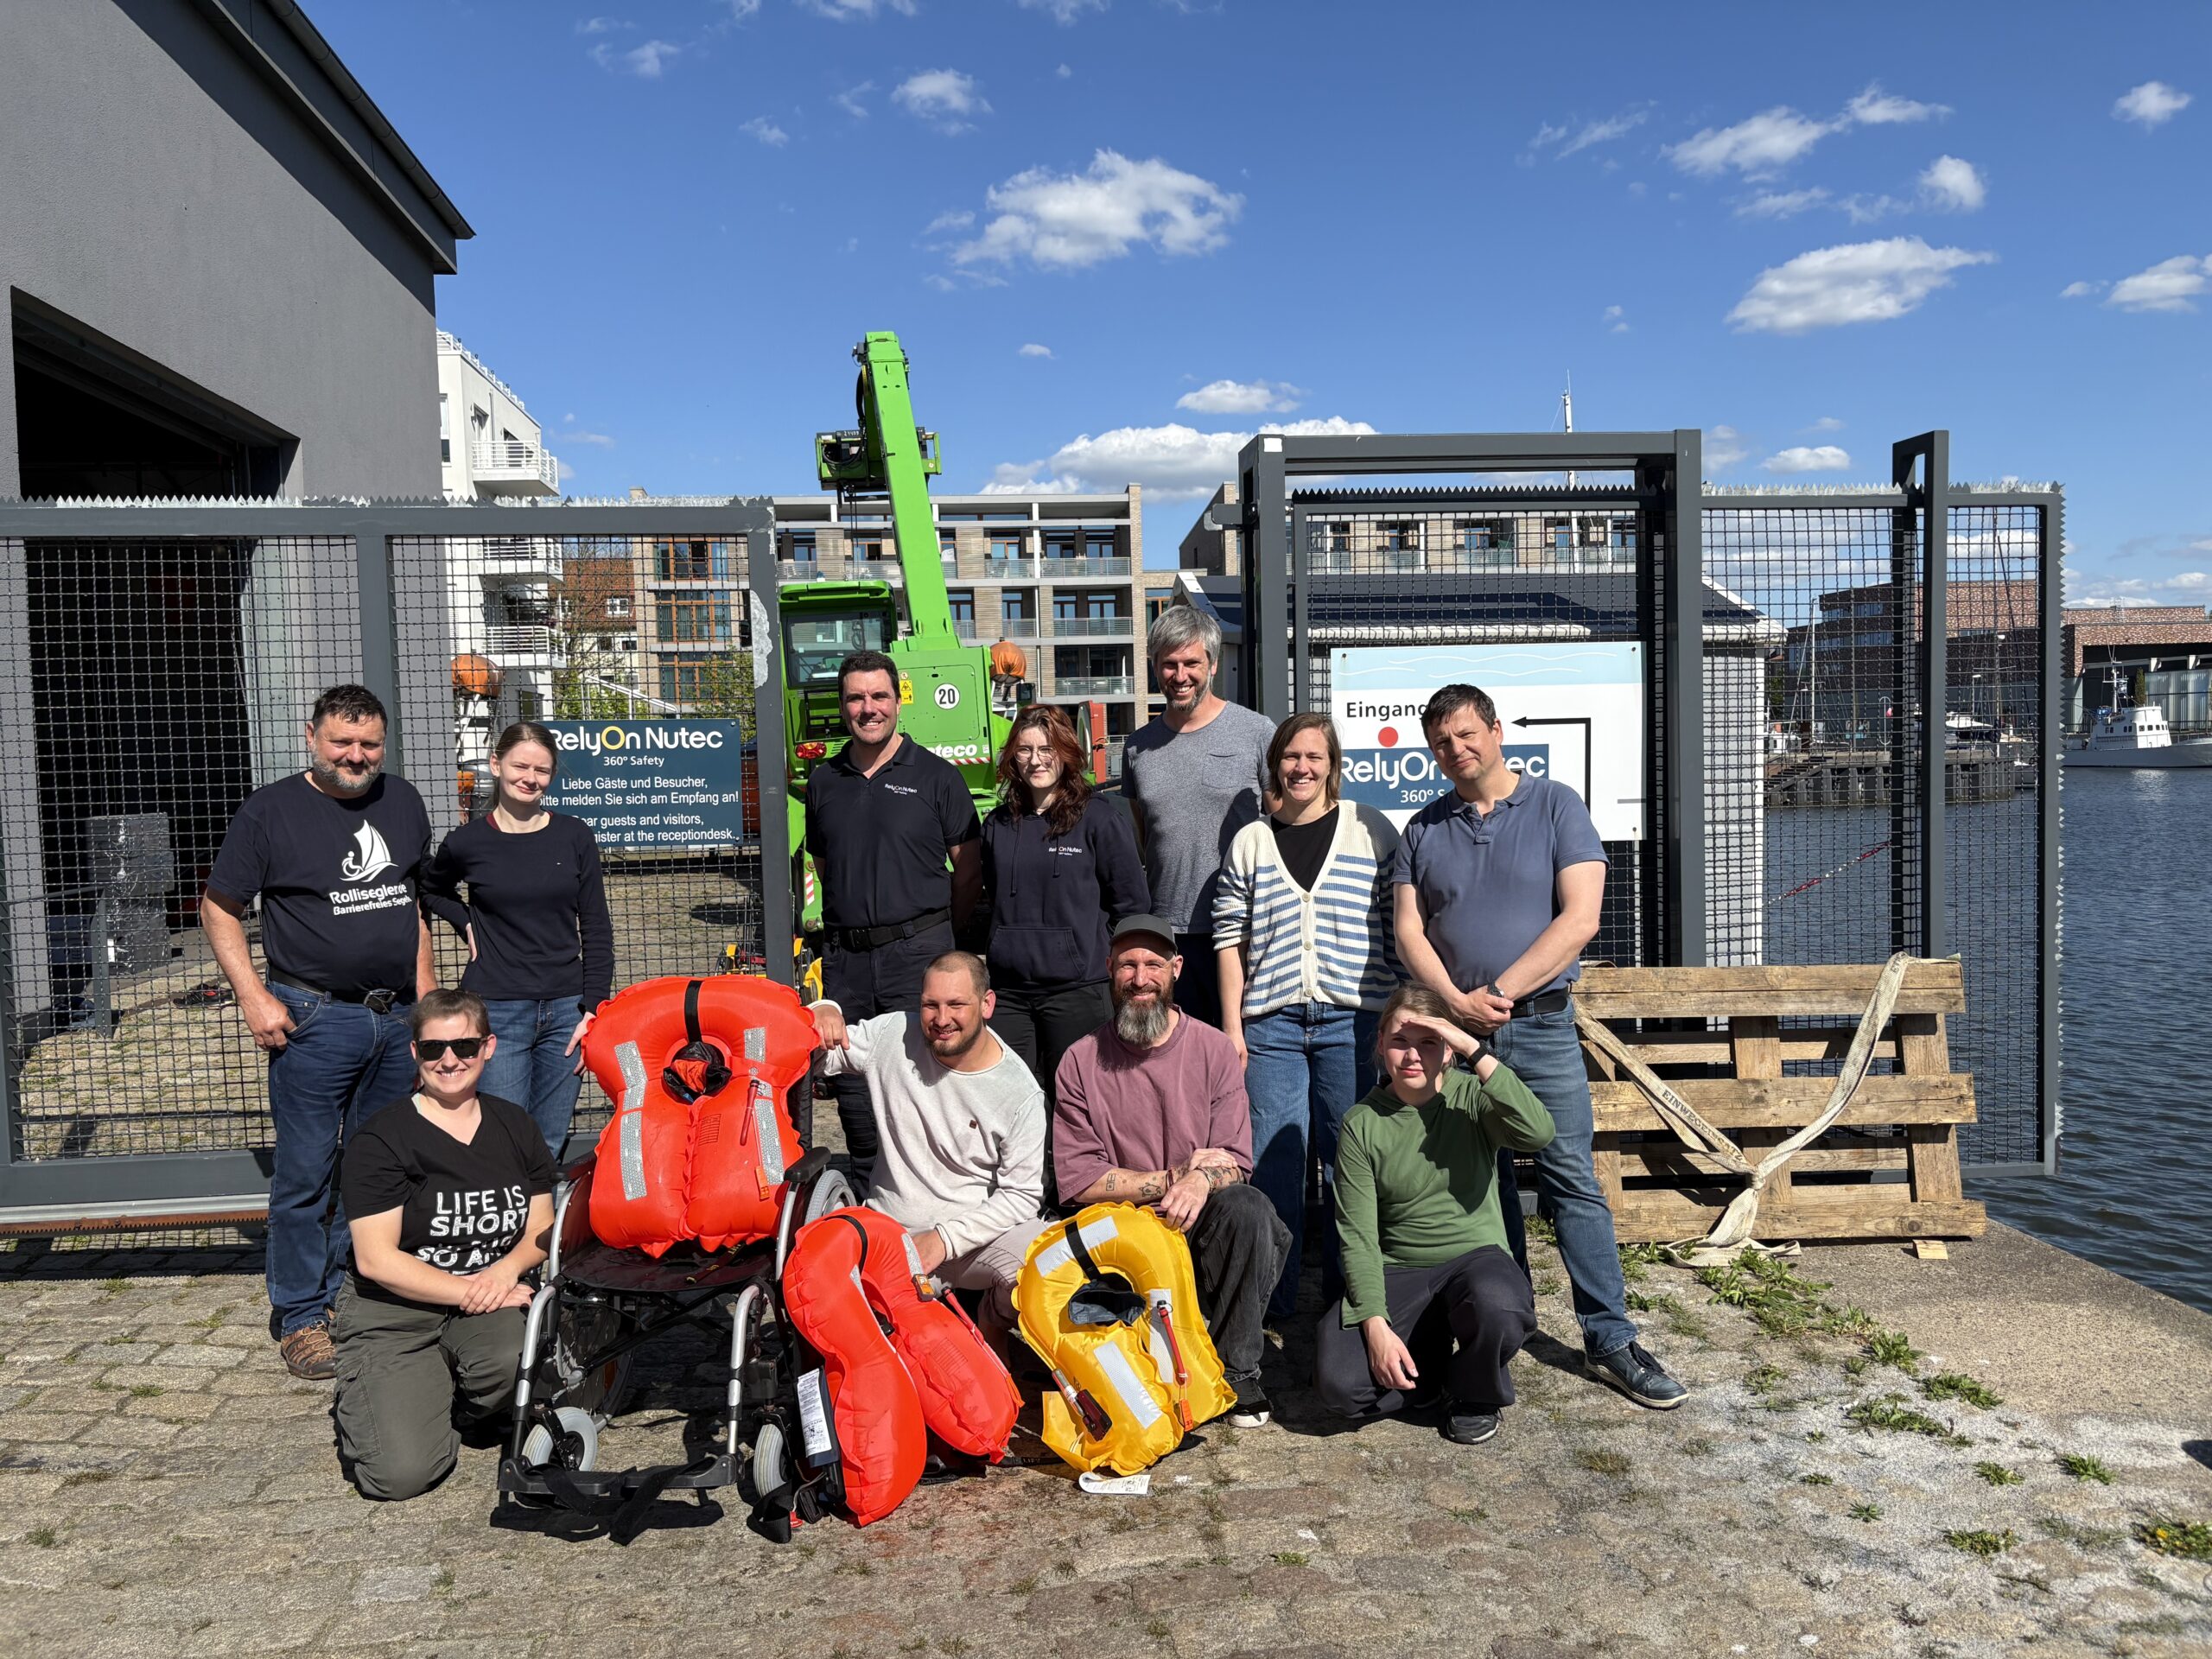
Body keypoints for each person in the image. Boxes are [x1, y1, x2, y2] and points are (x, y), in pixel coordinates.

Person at [1392, 683, 1686, 1409]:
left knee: (1571, 1181)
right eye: (1441, 744)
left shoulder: (1557, 805)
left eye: (1466, 735)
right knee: (1479, 1190)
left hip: (1543, 1026)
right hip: (1457, 1037)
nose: (1455, 751)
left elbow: (1582, 917)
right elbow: (1407, 930)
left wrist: (1500, 995)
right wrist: (1459, 1008)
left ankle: (1610, 1338)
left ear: (1495, 730)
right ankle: (1502, 1334)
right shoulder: (1422, 829)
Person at [201, 683, 435, 1381]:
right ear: (313, 737)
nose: (355, 756)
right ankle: (301, 1314)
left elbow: (410, 903)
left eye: (368, 744)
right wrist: (252, 997)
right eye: (342, 742)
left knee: (375, 1167)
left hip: (394, 1020)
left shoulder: (404, 802)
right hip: (311, 1017)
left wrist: (424, 999)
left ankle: (353, 1290)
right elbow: (220, 909)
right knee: (304, 1174)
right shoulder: (270, 811)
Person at [1052, 915, 1289, 1427]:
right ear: (1109, 970)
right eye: (1128, 965)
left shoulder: (1214, 1050)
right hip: (1122, 1232)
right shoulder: (1079, 1059)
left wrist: (1202, 1180)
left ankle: (1239, 1370)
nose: (1141, 978)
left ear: (1176, 969)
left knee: (1249, 1210)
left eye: (1154, 964)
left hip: (1198, 1218)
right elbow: (1077, 1181)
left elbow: (1235, 1162)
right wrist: (1174, 1175)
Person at [1214, 714, 1402, 1330]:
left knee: (1348, 1160)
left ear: (1332, 764)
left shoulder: (1369, 829)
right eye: (1290, 756)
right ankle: (1274, 1302)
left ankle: (1357, 1300)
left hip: (1353, 1022)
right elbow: (1228, 940)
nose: (1301, 768)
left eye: (1313, 757)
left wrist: (1398, 1013)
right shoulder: (1251, 841)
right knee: (1275, 1168)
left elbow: (1396, 927)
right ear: (1275, 764)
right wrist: (1234, 1029)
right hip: (1271, 1027)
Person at [332, 989, 556, 1500]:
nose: (450, 1060)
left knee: (513, 1356)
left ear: (489, 1047)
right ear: (415, 1053)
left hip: (485, 1298)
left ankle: (458, 1397)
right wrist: (480, 1290)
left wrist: (504, 1275)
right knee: (400, 1476)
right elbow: (376, 1258)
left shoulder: (515, 1125)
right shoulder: (381, 1140)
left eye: (465, 1046)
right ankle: (392, 1385)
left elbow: (541, 1228)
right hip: (392, 1311)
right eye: (433, 1049)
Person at [1315, 984, 1552, 1446]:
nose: (1413, 1056)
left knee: (1499, 1306)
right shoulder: (1361, 1123)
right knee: (1339, 1388)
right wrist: (1375, 1325)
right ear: (1380, 1043)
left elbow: (1538, 1132)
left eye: (1430, 1042)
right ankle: (1432, 1365)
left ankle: (1474, 1393)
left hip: (1475, 1258)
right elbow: (1358, 1236)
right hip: (1400, 1268)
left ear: (1448, 1050)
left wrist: (1472, 1048)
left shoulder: (1472, 1098)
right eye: (1401, 1040)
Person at [805, 649, 983, 1192]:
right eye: (856, 698)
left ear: (897, 701)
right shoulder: (824, 782)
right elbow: (823, 865)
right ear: (842, 706)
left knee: (927, 1083)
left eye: (879, 696)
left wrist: (940, 940)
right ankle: (866, 1215)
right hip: (848, 962)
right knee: (855, 1093)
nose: (868, 708)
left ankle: (934, 1206)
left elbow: (969, 871)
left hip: (919, 954)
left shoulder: (937, 778)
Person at [807, 950, 1049, 1336]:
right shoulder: (892, 1034)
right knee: (838, 1309)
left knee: (1046, 1266)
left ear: (987, 1005)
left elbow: (1021, 1197)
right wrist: (820, 1011)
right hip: (892, 1231)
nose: (941, 1019)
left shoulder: (1020, 1093)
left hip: (972, 1239)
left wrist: (943, 1240)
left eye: (957, 1005)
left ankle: (995, 1322)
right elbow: (820, 1058)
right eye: (930, 1005)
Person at [419, 721, 613, 1161]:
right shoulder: (468, 842)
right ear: (495, 764)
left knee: (547, 1140)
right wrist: (464, 921)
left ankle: (539, 1229)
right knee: (501, 1133)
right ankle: (501, 1228)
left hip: (567, 1010)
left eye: (542, 770)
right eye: (520, 765)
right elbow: (431, 888)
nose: (530, 778)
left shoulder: (574, 835)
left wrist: (594, 1009)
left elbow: (597, 926)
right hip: (498, 1008)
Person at [980, 703, 1150, 1197]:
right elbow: (994, 899)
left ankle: (1081, 1200)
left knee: (1076, 1105)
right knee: (1014, 1102)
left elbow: (1130, 905)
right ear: (1013, 758)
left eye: (1047, 748)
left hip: (1077, 990)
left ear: (1066, 753)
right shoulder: (998, 825)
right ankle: (1025, 1200)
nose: (1036, 759)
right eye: (1026, 749)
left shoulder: (1097, 818)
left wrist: (1118, 975)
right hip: (1011, 994)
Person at [1120, 606, 1274, 1029]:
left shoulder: (1256, 733)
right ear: (1155, 667)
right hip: (1169, 930)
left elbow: (1282, 823)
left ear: (1213, 664)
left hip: (1245, 926)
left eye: (1191, 662)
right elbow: (1142, 835)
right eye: (1169, 664)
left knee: (1243, 1053)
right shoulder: (1138, 748)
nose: (1180, 675)